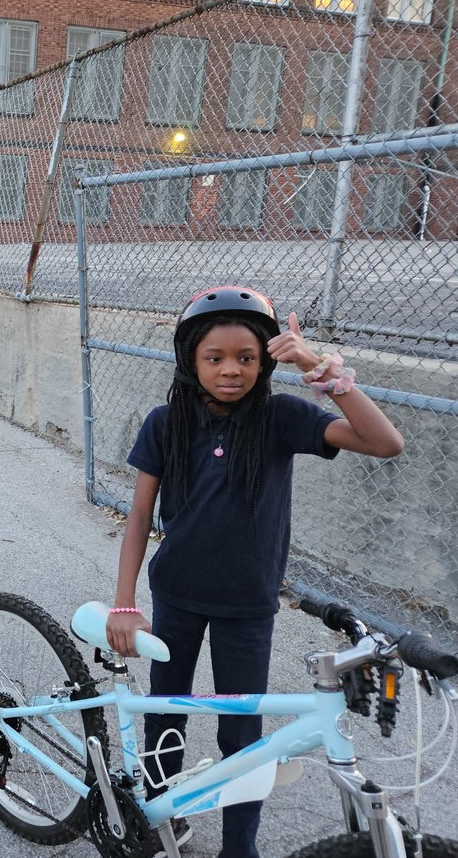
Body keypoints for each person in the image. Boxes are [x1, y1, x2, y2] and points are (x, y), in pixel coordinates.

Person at [104, 286, 404, 858]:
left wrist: (320, 367)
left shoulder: (281, 417)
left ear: (266, 361)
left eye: (247, 357)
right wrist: (124, 601)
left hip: (248, 602)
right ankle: (162, 817)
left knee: (241, 733)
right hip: (178, 595)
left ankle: (239, 848)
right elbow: (140, 513)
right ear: (191, 361)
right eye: (214, 358)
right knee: (166, 713)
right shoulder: (166, 422)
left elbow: (385, 443)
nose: (231, 371)